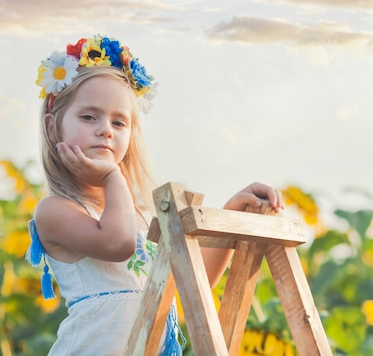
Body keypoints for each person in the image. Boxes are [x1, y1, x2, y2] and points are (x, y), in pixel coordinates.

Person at [26, 34, 284, 355]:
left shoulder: (137, 213)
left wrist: (233, 209)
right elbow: (117, 244)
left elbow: (188, 281)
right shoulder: (56, 211)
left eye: (119, 122)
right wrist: (111, 176)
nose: (105, 129)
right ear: (53, 127)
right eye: (89, 116)